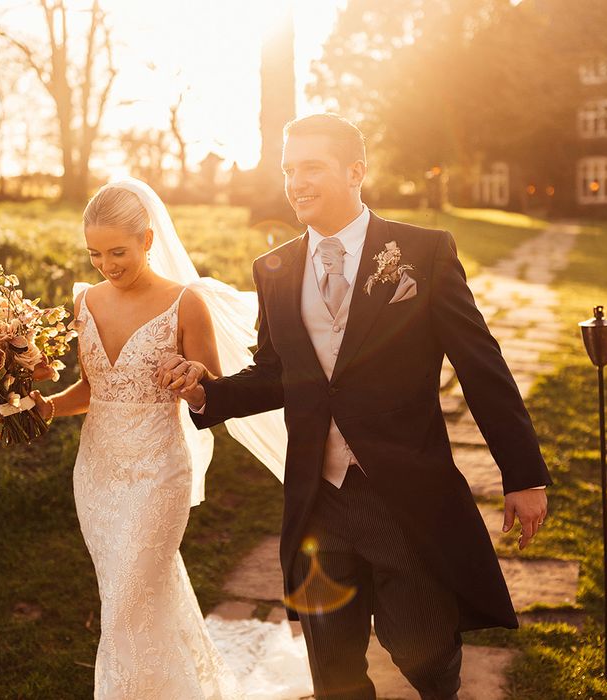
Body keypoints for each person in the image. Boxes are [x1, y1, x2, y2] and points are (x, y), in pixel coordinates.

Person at [163, 113, 552, 700]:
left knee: (422, 653)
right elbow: (277, 374)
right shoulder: (273, 270)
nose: (296, 182)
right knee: (334, 673)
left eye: (312, 168)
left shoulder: (423, 253)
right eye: (289, 170)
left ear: (355, 172)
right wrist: (206, 391)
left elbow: (482, 368)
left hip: (402, 494)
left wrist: (522, 475)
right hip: (317, 500)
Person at [28, 179, 262, 699]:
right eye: (94, 253)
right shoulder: (84, 302)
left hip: (159, 471)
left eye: (118, 252)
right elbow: (92, 389)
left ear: (148, 239)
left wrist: (193, 376)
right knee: (127, 597)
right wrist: (45, 407)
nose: (106, 265)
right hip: (97, 472)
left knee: (131, 596)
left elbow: (213, 392)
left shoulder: (185, 304)